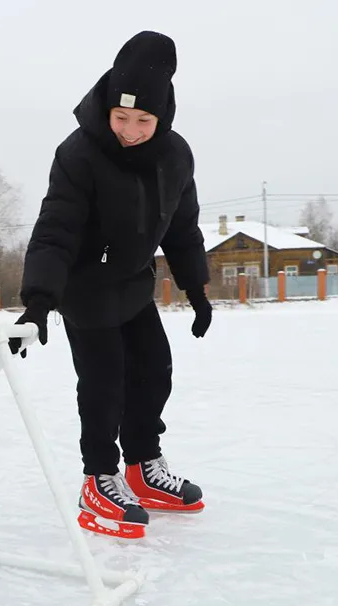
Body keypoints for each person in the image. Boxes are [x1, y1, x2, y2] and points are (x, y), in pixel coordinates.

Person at [11, 31, 211, 537]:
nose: (129, 130)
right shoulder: (79, 153)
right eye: (120, 118)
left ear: (162, 116)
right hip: (85, 286)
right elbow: (56, 228)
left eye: (143, 120)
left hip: (132, 283)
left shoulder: (175, 156)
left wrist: (197, 287)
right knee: (104, 385)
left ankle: (142, 468)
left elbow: (183, 227)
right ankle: (98, 477)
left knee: (154, 371)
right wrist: (38, 300)